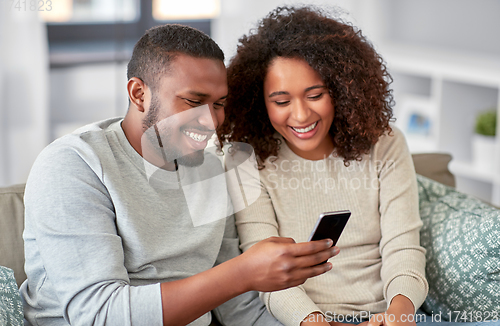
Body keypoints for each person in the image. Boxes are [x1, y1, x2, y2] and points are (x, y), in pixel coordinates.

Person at [19, 24, 340, 326]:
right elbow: (99, 315)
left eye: (219, 104)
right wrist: (242, 273)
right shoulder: (73, 165)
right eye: (194, 101)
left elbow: (238, 308)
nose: (211, 120)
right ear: (139, 94)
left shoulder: (212, 170)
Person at [218, 6, 429, 326]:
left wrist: (399, 313)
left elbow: (403, 247)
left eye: (315, 95)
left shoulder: (384, 143)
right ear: (259, 101)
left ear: (341, 89)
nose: (301, 116)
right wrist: (313, 320)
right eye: (281, 101)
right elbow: (265, 271)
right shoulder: (244, 161)